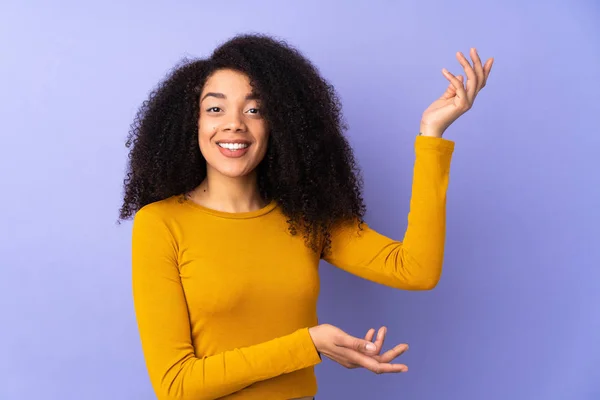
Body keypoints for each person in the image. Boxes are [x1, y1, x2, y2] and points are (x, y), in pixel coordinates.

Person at [119, 33, 493, 400]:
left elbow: (416, 269)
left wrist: (432, 134)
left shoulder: (305, 218)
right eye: (215, 108)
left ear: (279, 124)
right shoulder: (161, 223)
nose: (235, 123)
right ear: (192, 123)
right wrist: (308, 344)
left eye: (255, 109)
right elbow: (176, 386)